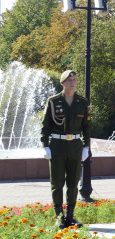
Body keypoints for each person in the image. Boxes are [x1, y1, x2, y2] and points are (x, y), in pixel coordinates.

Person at [41, 70, 90, 229]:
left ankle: (70, 217)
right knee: (57, 183)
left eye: (74, 79)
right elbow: (45, 126)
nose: (72, 82)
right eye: (69, 80)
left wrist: (86, 146)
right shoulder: (53, 101)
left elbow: (87, 127)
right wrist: (45, 146)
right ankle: (59, 216)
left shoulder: (82, 102)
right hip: (58, 145)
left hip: (75, 145)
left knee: (73, 183)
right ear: (62, 83)